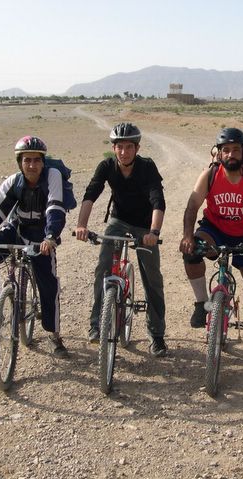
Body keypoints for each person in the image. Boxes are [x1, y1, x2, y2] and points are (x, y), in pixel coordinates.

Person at [74, 122, 168, 357]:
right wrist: (81, 225)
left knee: (152, 277)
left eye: (129, 147)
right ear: (113, 148)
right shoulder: (106, 166)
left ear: (137, 148)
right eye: (119, 147)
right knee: (103, 268)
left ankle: (156, 334)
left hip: (144, 226)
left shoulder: (147, 167)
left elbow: (158, 200)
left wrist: (154, 233)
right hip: (119, 221)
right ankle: (97, 324)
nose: (124, 152)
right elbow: (91, 194)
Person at [179, 127, 243, 359]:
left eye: (236, 150)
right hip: (215, 231)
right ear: (219, 153)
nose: (231, 154)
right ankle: (201, 303)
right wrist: (187, 235)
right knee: (192, 252)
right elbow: (192, 205)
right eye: (226, 150)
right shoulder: (210, 174)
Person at [0, 135, 69, 358]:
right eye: (27, 160)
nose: (32, 165)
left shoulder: (52, 176)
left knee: (48, 285)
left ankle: (54, 335)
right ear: (20, 162)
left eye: (36, 160)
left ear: (43, 162)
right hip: (17, 229)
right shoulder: (14, 181)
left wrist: (51, 236)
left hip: (42, 236)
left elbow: (55, 207)